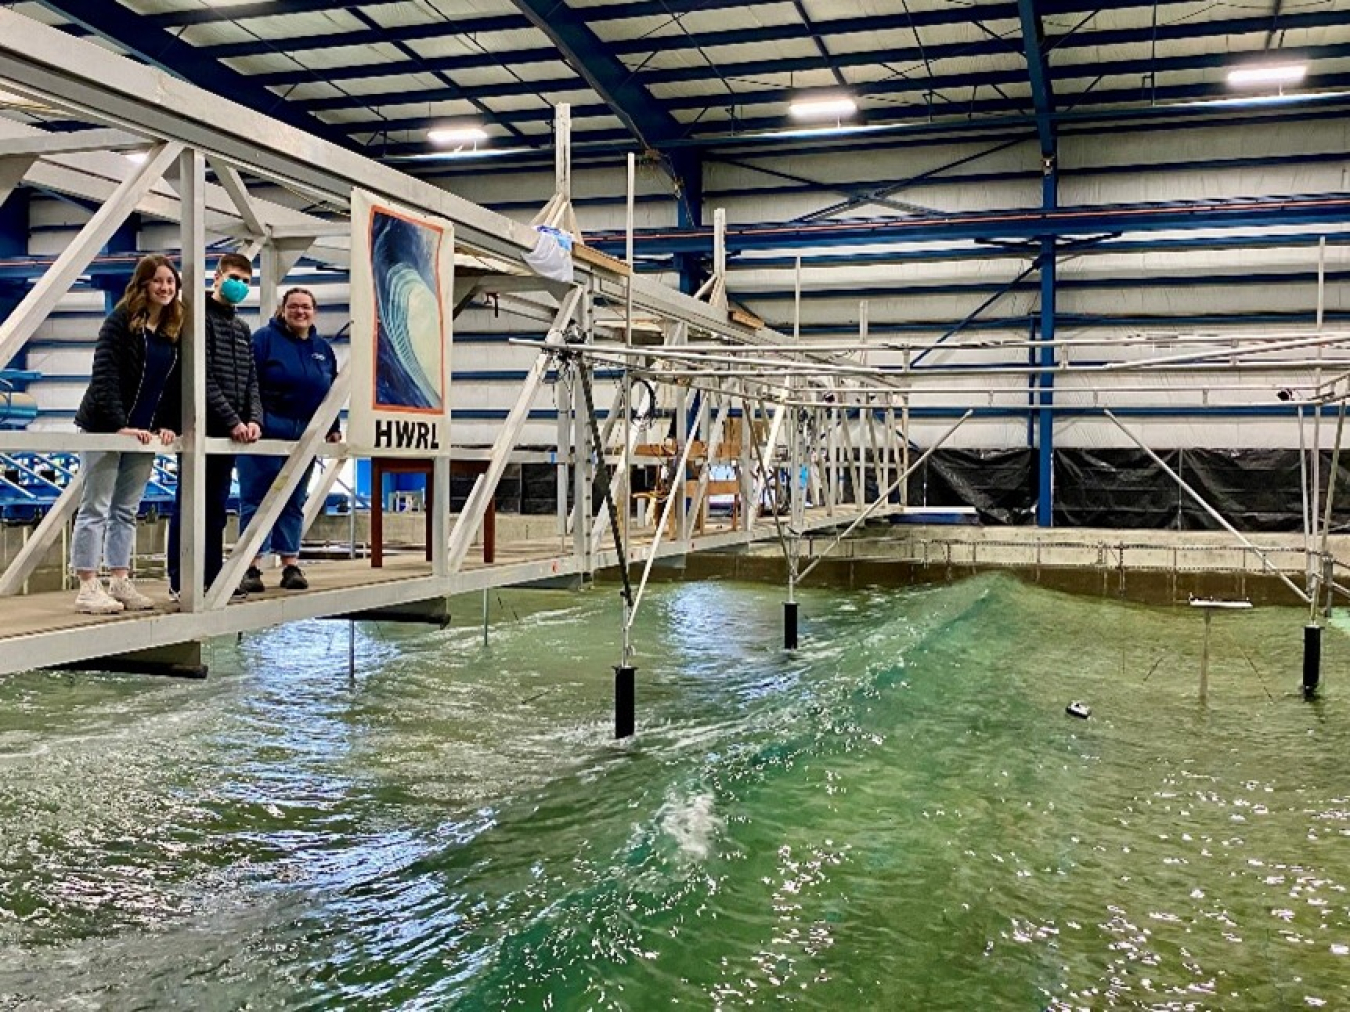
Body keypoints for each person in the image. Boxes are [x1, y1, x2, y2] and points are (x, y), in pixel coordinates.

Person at [70, 255, 184, 613]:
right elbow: (104, 376)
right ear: (143, 285)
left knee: (126, 509)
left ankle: (119, 579)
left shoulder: (170, 333)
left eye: (171, 282)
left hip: (143, 435)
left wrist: (167, 424)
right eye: (158, 281)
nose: (165, 288)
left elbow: (170, 387)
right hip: (105, 427)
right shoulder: (120, 322)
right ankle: (88, 585)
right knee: (95, 506)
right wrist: (119, 423)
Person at [166, 251, 263, 601]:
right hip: (202, 429)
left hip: (231, 434)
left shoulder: (241, 328)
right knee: (189, 504)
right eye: (234, 278)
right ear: (217, 277)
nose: (239, 285)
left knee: (216, 508)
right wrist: (232, 419)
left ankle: (211, 575)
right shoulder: (197, 319)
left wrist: (254, 419)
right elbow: (201, 377)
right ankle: (181, 579)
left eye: (246, 282)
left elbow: (251, 379)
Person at [236, 287, 341, 593]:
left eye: (306, 307)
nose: (300, 312)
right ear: (283, 310)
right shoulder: (263, 341)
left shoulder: (322, 349)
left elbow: (329, 392)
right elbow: (247, 383)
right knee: (256, 498)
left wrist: (332, 426)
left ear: (315, 312)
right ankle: (251, 567)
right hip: (265, 432)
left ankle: (290, 564)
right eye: (293, 306)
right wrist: (250, 421)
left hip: (305, 436)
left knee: (294, 500)